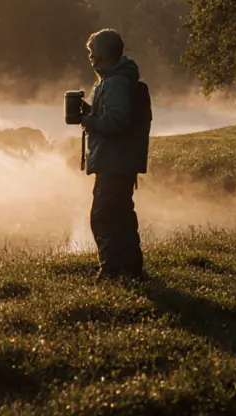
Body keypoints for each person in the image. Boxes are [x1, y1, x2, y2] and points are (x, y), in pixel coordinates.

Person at [80, 28, 148, 281]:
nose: (90, 57)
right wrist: (90, 111)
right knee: (120, 214)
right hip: (118, 159)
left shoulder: (116, 82)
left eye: (92, 52)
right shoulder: (115, 79)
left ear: (102, 54)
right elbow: (114, 114)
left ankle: (111, 271)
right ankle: (130, 268)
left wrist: (90, 121)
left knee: (104, 216)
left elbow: (118, 120)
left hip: (114, 160)